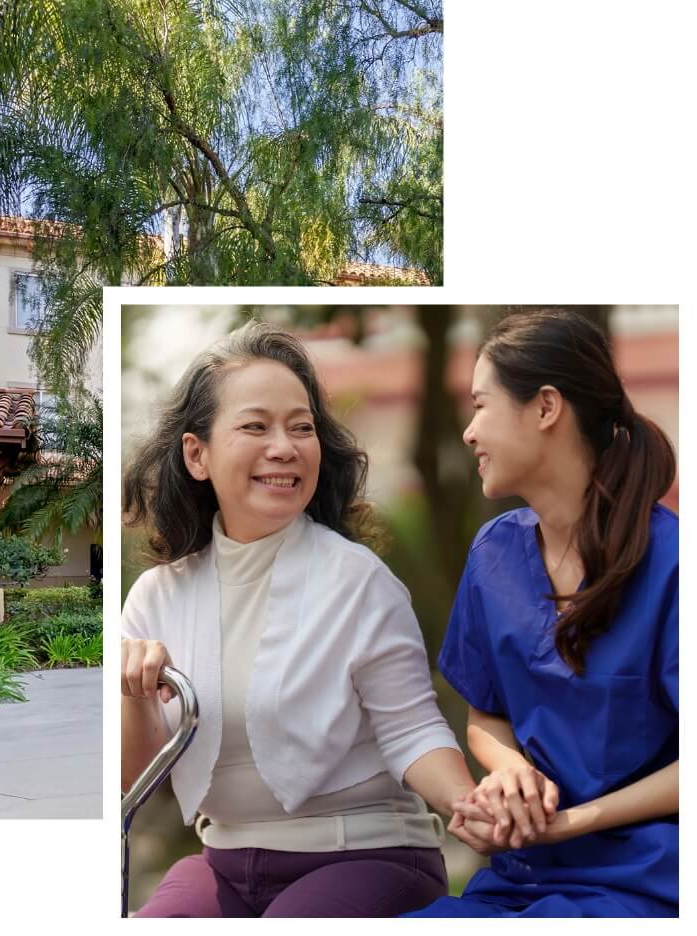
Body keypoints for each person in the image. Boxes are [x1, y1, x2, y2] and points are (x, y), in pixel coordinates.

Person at [121, 319, 485, 917]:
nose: (284, 447)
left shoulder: (358, 579)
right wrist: (134, 695)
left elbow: (411, 729)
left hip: (369, 857)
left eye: (301, 427)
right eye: (255, 426)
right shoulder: (157, 598)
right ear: (197, 454)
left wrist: (468, 805)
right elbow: (136, 780)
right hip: (224, 863)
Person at [400, 309, 678, 918]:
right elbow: (485, 713)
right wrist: (510, 775)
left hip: (649, 883)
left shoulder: (673, 564)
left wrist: (571, 822)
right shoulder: (493, 552)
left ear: (546, 407)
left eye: (481, 405)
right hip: (520, 876)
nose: (469, 432)